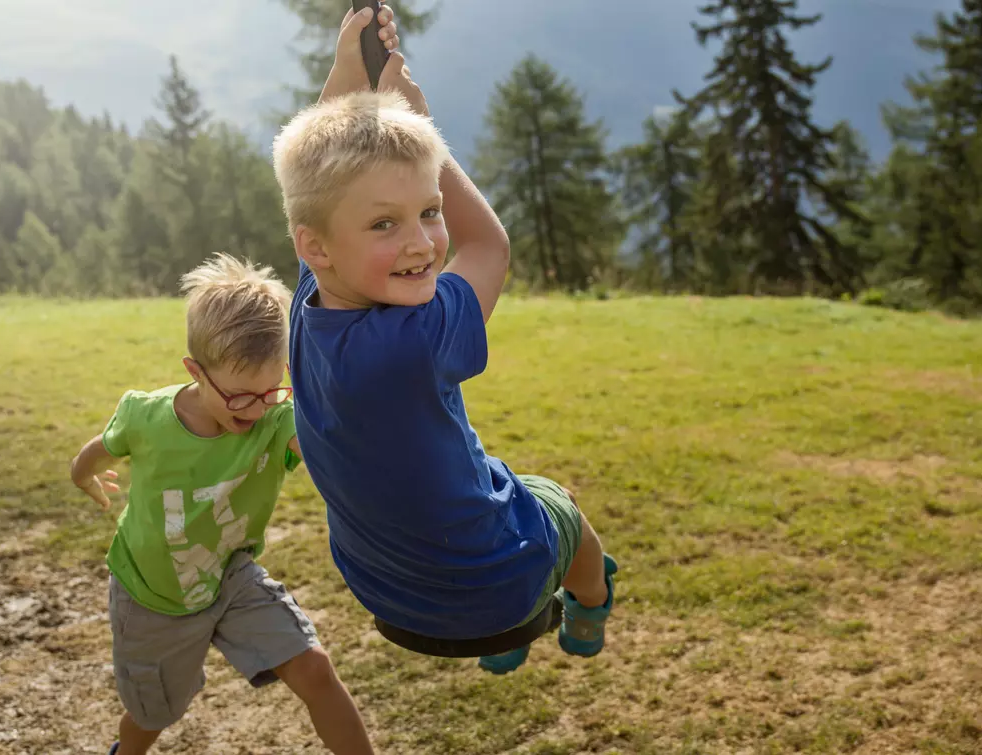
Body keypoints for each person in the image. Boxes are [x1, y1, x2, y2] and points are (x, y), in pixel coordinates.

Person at [270, 5, 619, 676]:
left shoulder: (310, 300)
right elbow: (487, 244)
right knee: (559, 503)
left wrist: (349, 78)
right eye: (383, 224)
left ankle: (506, 632)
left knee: (488, 477)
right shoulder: (413, 339)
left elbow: (315, 191)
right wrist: (425, 133)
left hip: (385, 591)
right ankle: (590, 599)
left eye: (428, 213)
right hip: (494, 590)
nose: (420, 243)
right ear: (321, 247)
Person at [70, 252, 378, 754]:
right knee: (154, 715)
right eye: (240, 395)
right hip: (153, 596)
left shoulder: (277, 418)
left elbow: (334, 448)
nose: (256, 410)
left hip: (232, 576)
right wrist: (82, 476)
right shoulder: (147, 418)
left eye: (269, 391)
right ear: (196, 370)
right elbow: (97, 450)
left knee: (315, 669)